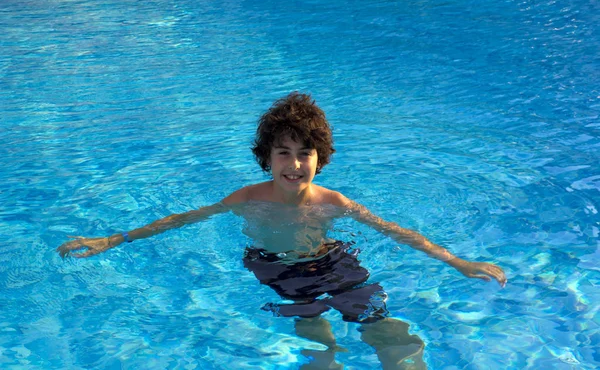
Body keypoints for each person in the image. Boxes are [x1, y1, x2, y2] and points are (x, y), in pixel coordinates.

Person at [57, 92, 506, 369]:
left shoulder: (334, 203)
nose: (294, 164)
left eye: (305, 153)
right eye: (283, 152)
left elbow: (395, 231)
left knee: (390, 334)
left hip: (333, 264)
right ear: (266, 158)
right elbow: (182, 220)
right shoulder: (246, 199)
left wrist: (457, 262)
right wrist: (116, 239)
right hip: (278, 272)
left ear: (320, 157)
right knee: (320, 347)